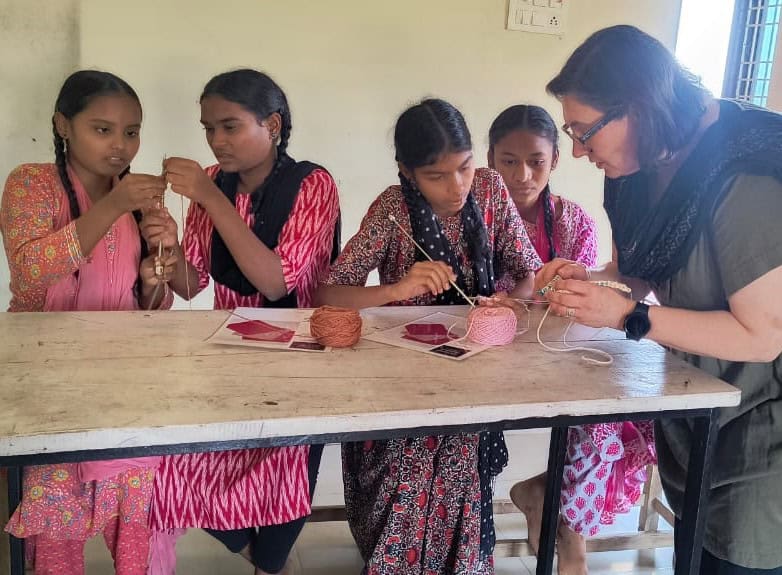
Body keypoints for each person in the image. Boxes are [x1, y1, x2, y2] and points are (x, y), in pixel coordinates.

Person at [538, 24, 782, 574]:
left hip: (760, 443)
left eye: (583, 132)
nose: (577, 151)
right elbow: (641, 274)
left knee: (734, 556)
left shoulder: (744, 175)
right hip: (699, 417)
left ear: (637, 110)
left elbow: (762, 336)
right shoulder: (637, 167)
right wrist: (593, 282)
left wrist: (628, 315)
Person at [317, 98, 542, 574]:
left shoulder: (491, 191)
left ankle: (456, 565)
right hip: (402, 382)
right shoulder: (393, 210)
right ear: (407, 171)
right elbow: (330, 293)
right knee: (413, 461)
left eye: (463, 167)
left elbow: (530, 274)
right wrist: (399, 288)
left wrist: (509, 300)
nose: (457, 186)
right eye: (436, 176)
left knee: (459, 454)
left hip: (474, 370)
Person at [140, 68, 340, 575]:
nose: (216, 141)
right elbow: (191, 283)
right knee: (174, 470)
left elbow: (276, 283)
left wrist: (211, 200)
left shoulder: (313, 184)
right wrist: (163, 245)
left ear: (272, 125)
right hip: (230, 355)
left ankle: (270, 558)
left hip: (303, 359)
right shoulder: (213, 181)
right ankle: (265, 559)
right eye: (208, 128)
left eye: (230, 126)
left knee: (283, 495)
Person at [1, 70, 173, 575]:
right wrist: (116, 204)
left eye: (132, 131)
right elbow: (31, 270)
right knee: (57, 517)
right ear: (63, 125)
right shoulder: (30, 183)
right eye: (103, 129)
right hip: (45, 379)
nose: (121, 146)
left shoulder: (142, 199)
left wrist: (151, 280)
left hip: (124, 379)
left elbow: (153, 308)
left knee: (135, 509)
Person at [488, 104, 655, 573]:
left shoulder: (573, 220)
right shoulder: (475, 220)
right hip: (492, 357)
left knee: (613, 423)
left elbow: (576, 301)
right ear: (490, 159)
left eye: (536, 161)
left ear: (556, 160)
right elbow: (476, 300)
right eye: (508, 161)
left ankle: (562, 522)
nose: (523, 175)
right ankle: (552, 521)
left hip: (559, 354)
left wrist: (544, 294)